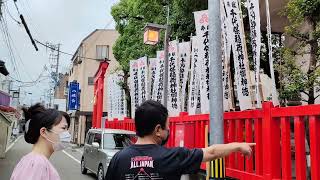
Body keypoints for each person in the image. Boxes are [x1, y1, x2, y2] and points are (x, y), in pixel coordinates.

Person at [105, 100, 255, 180]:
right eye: (166, 127)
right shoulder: (173, 156)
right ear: (158, 130)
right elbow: (213, 152)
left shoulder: (118, 159)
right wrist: (238, 146)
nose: (168, 131)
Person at [10, 103, 71, 180]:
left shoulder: (33, 161)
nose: (67, 133)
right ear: (43, 132)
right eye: (63, 128)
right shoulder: (37, 164)